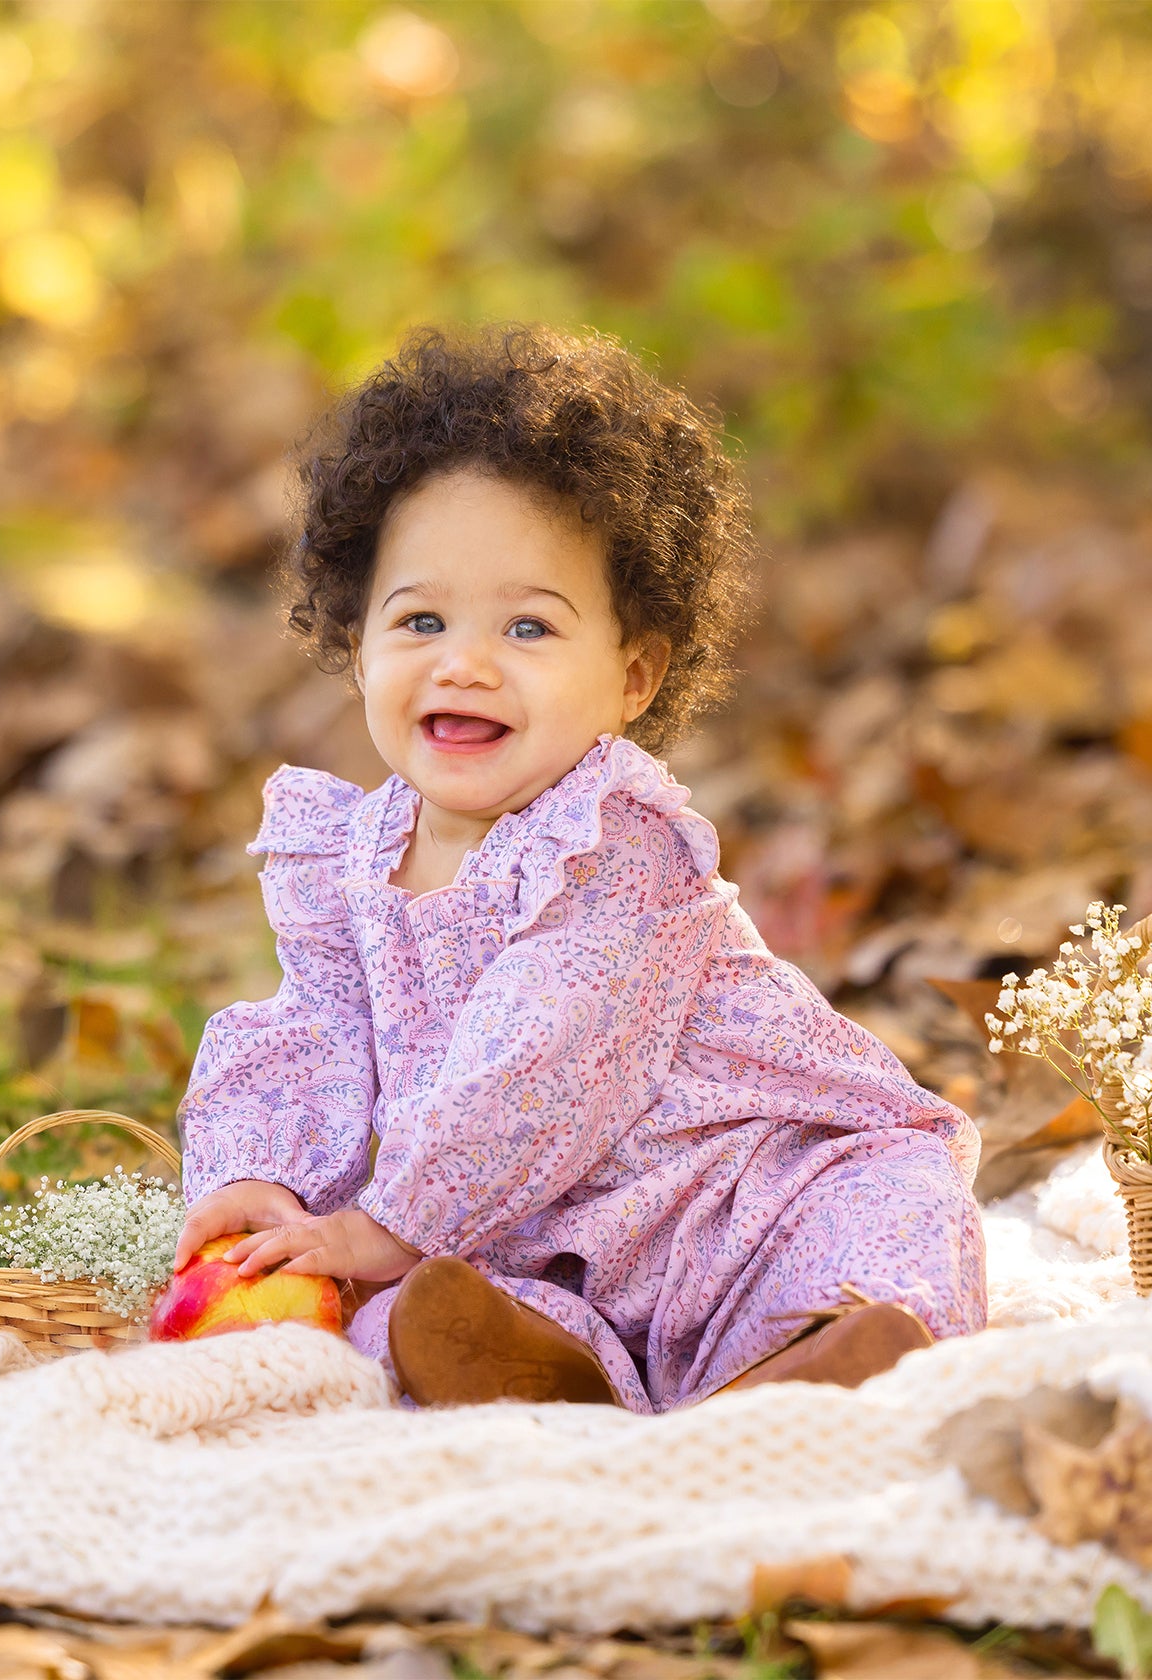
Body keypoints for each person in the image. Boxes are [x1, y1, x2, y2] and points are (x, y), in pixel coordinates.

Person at [173, 322, 986, 1414]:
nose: (464, 661)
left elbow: (538, 1060)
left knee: (887, 1208)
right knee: (409, 1304)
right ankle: (555, 1373)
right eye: (420, 619)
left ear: (634, 677)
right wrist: (258, 1175)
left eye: (529, 627)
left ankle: (820, 1357)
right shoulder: (347, 854)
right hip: (537, 1241)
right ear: (357, 642)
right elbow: (306, 1029)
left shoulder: (615, 844)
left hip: (738, 1203)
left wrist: (383, 1223)